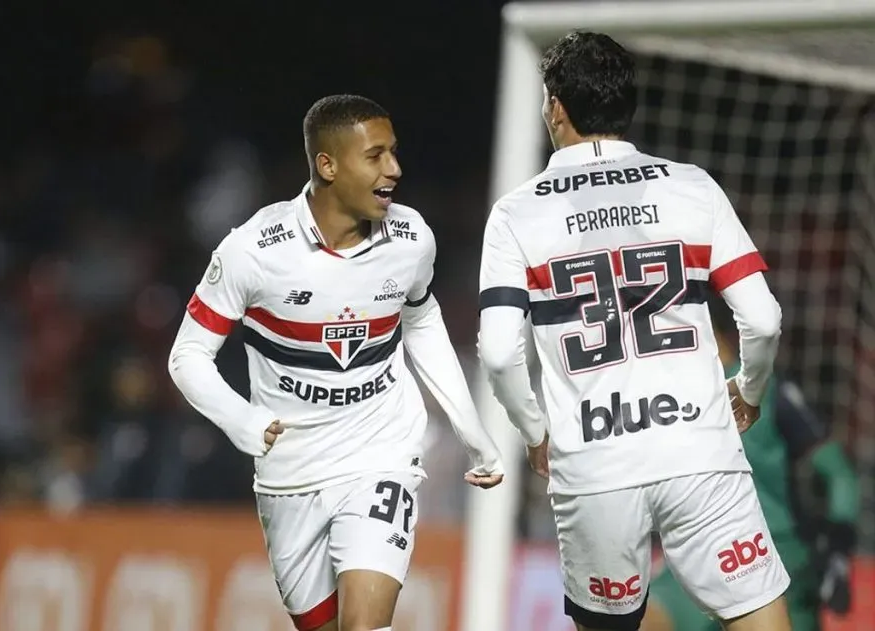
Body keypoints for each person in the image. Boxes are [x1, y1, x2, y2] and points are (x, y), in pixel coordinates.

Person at [477, 31, 793, 631]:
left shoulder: (517, 212)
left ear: (555, 106)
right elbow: (763, 318)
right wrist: (748, 390)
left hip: (595, 464)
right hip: (698, 448)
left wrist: (535, 430)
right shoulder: (691, 186)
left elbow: (497, 353)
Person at [169, 94, 504, 631]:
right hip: (289, 478)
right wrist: (241, 419)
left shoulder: (411, 238)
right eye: (375, 156)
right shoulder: (254, 251)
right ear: (327, 165)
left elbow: (420, 321)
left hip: (380, 455)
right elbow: (187, 357)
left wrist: (472, 429)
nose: (394, 169)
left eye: (393, 153)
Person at [641, 299, 860, 631]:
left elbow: (839, 475)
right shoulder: (672, 399)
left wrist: (836, 553)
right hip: (705, 556)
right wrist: (838, 556)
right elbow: (840, 475)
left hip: (774, 560)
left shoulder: (764, 392)